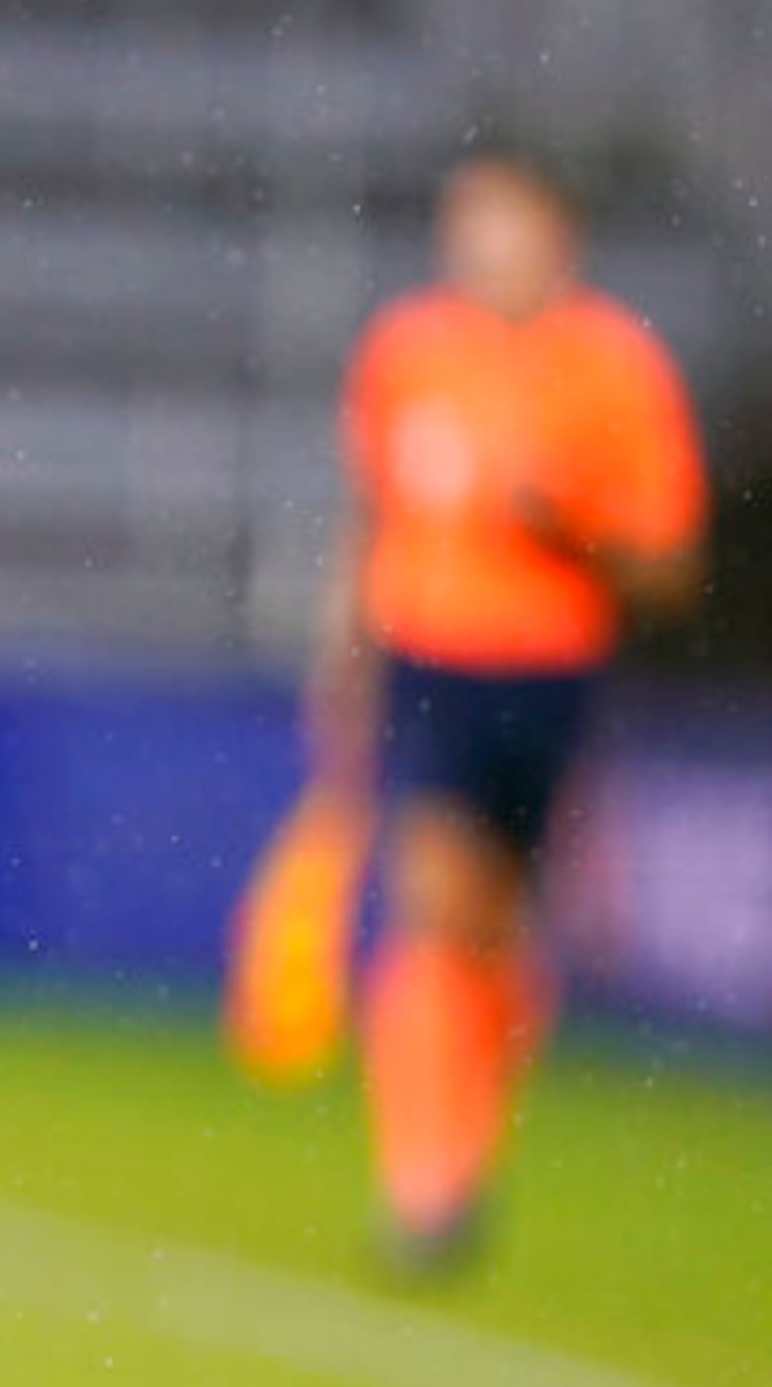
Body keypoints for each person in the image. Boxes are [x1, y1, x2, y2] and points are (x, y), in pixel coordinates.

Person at [231, 151, 707, 1268]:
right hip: (429, 662)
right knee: (435, 898)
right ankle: (429, 1180)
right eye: (468, 224)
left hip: (548, 674)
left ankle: (464, 1140)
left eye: (506, 225)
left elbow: (670, 567)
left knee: (497, 930)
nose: (483, 246)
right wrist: (341, 652)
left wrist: (568, 531)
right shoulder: (409, 351)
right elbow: (372, 517)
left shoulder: (616, 369)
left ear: (559, 238)